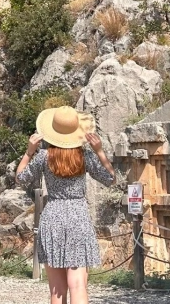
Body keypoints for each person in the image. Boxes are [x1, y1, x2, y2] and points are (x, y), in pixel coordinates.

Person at [16, 105, 117, 304]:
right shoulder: (85, 157)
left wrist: (29, 152)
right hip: (78, 217)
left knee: (57, 291)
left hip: (53, 216)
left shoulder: (43, 157)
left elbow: (20, 178)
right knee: (78, 285)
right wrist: (100, 151)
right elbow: (110, 178)